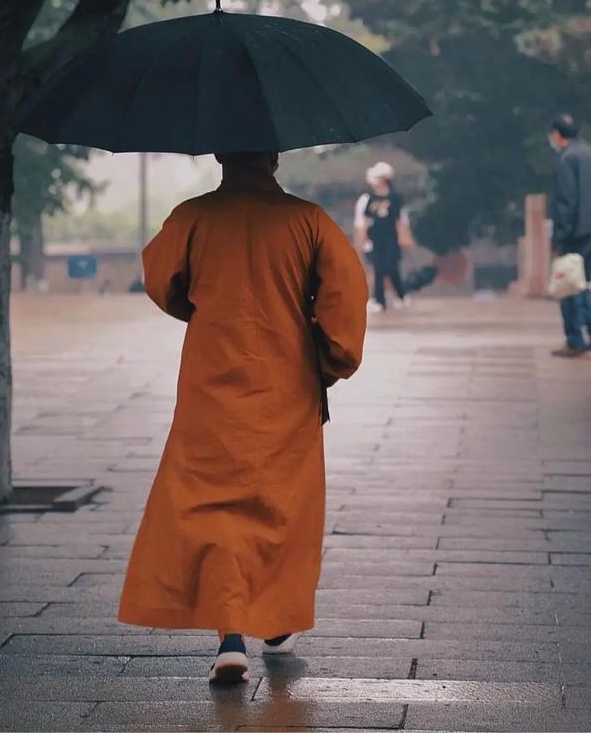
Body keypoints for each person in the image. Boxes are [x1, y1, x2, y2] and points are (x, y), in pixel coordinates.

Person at [118, 151, 368, 684]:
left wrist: (205, 306)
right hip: (285, 380)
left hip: (211, 377)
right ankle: (275, 623)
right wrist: (329, 362)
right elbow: (345, 298)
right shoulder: (309, 221)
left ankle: (230, 638)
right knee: (279, 505)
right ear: (273, 157)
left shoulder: (192, 217)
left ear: (220, 155)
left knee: (214, 506)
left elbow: (162, 282)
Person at [548, 114, 591, 357]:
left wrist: (560, 236)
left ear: (557, 134)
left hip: (574, 233)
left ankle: (574, 339)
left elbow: (566, 202)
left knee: (568, 285)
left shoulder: (567, 159)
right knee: (581, 283)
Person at [354, 161, 413, 313]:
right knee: (378, 269)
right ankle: (379, 301)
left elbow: (400, 220)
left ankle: (401, 295)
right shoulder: (370, 198)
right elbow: (365, 220)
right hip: (376, 239)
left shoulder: (395, 197)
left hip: (391, 238)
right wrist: (363, 240)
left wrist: (404, 237)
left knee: (392, 268)